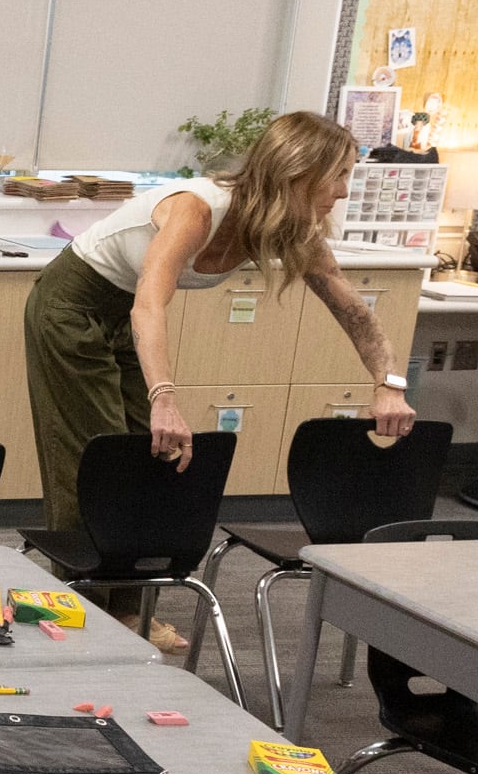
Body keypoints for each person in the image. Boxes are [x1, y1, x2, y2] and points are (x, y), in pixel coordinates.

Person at [24, 110, 416, 535]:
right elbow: (149, 306)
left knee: (152, 450)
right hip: (72, 304)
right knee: (97, 454)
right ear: (297, 171)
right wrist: (165, 399)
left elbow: (349, 305)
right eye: (337, 175)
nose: (342, 191)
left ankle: (128, 595)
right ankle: (79, 592)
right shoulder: (197, 209)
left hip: (125, 314)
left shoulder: (289, 223)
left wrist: (388, 384)